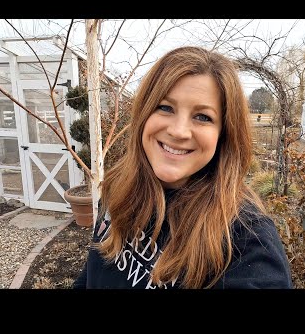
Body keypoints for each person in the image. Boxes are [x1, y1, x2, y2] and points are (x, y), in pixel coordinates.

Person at [73, 46, 292, 289]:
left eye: (202, 117)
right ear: (144, 114)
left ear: (224, 134)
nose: (178, 131)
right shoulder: (120, 184)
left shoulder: (246, 241)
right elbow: (91, 273)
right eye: (165, 108)